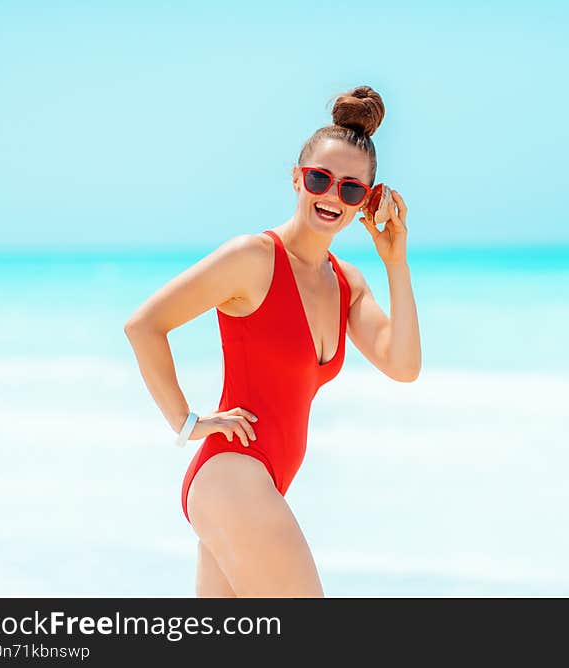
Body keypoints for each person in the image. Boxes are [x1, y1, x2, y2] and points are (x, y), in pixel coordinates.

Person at [123, 85, 421, 597]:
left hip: (258, 488)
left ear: (367, 201)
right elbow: (144, 325)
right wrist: (186, 421)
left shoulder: (347, 283)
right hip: (232, 478)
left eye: (351, 189)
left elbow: (404, 364)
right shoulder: (253, 258)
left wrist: (396, 259)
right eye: (319, 179)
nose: (332, 195)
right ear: (296, 178)